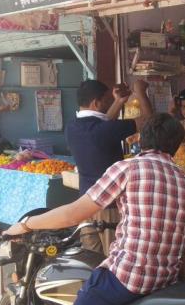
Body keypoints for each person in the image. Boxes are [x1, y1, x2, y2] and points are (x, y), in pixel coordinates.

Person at [4, 114, 185, 305]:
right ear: (177, 146)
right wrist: (178, 283)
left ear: (140, 140)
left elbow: (74, 214)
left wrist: (25, 225)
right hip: (166, 282)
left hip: (124, 280)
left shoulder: (128, 169)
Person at [65, 79, 153, 254]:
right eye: (106, 101)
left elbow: (103, 123)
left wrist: (119, 101)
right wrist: (140, 92)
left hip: (85, 204)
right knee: (112, 256)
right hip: (108, 205)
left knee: (91, 258)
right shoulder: (104, 131)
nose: (108, 104)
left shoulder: (72, 127)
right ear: (96, 103)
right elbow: (149, 122)